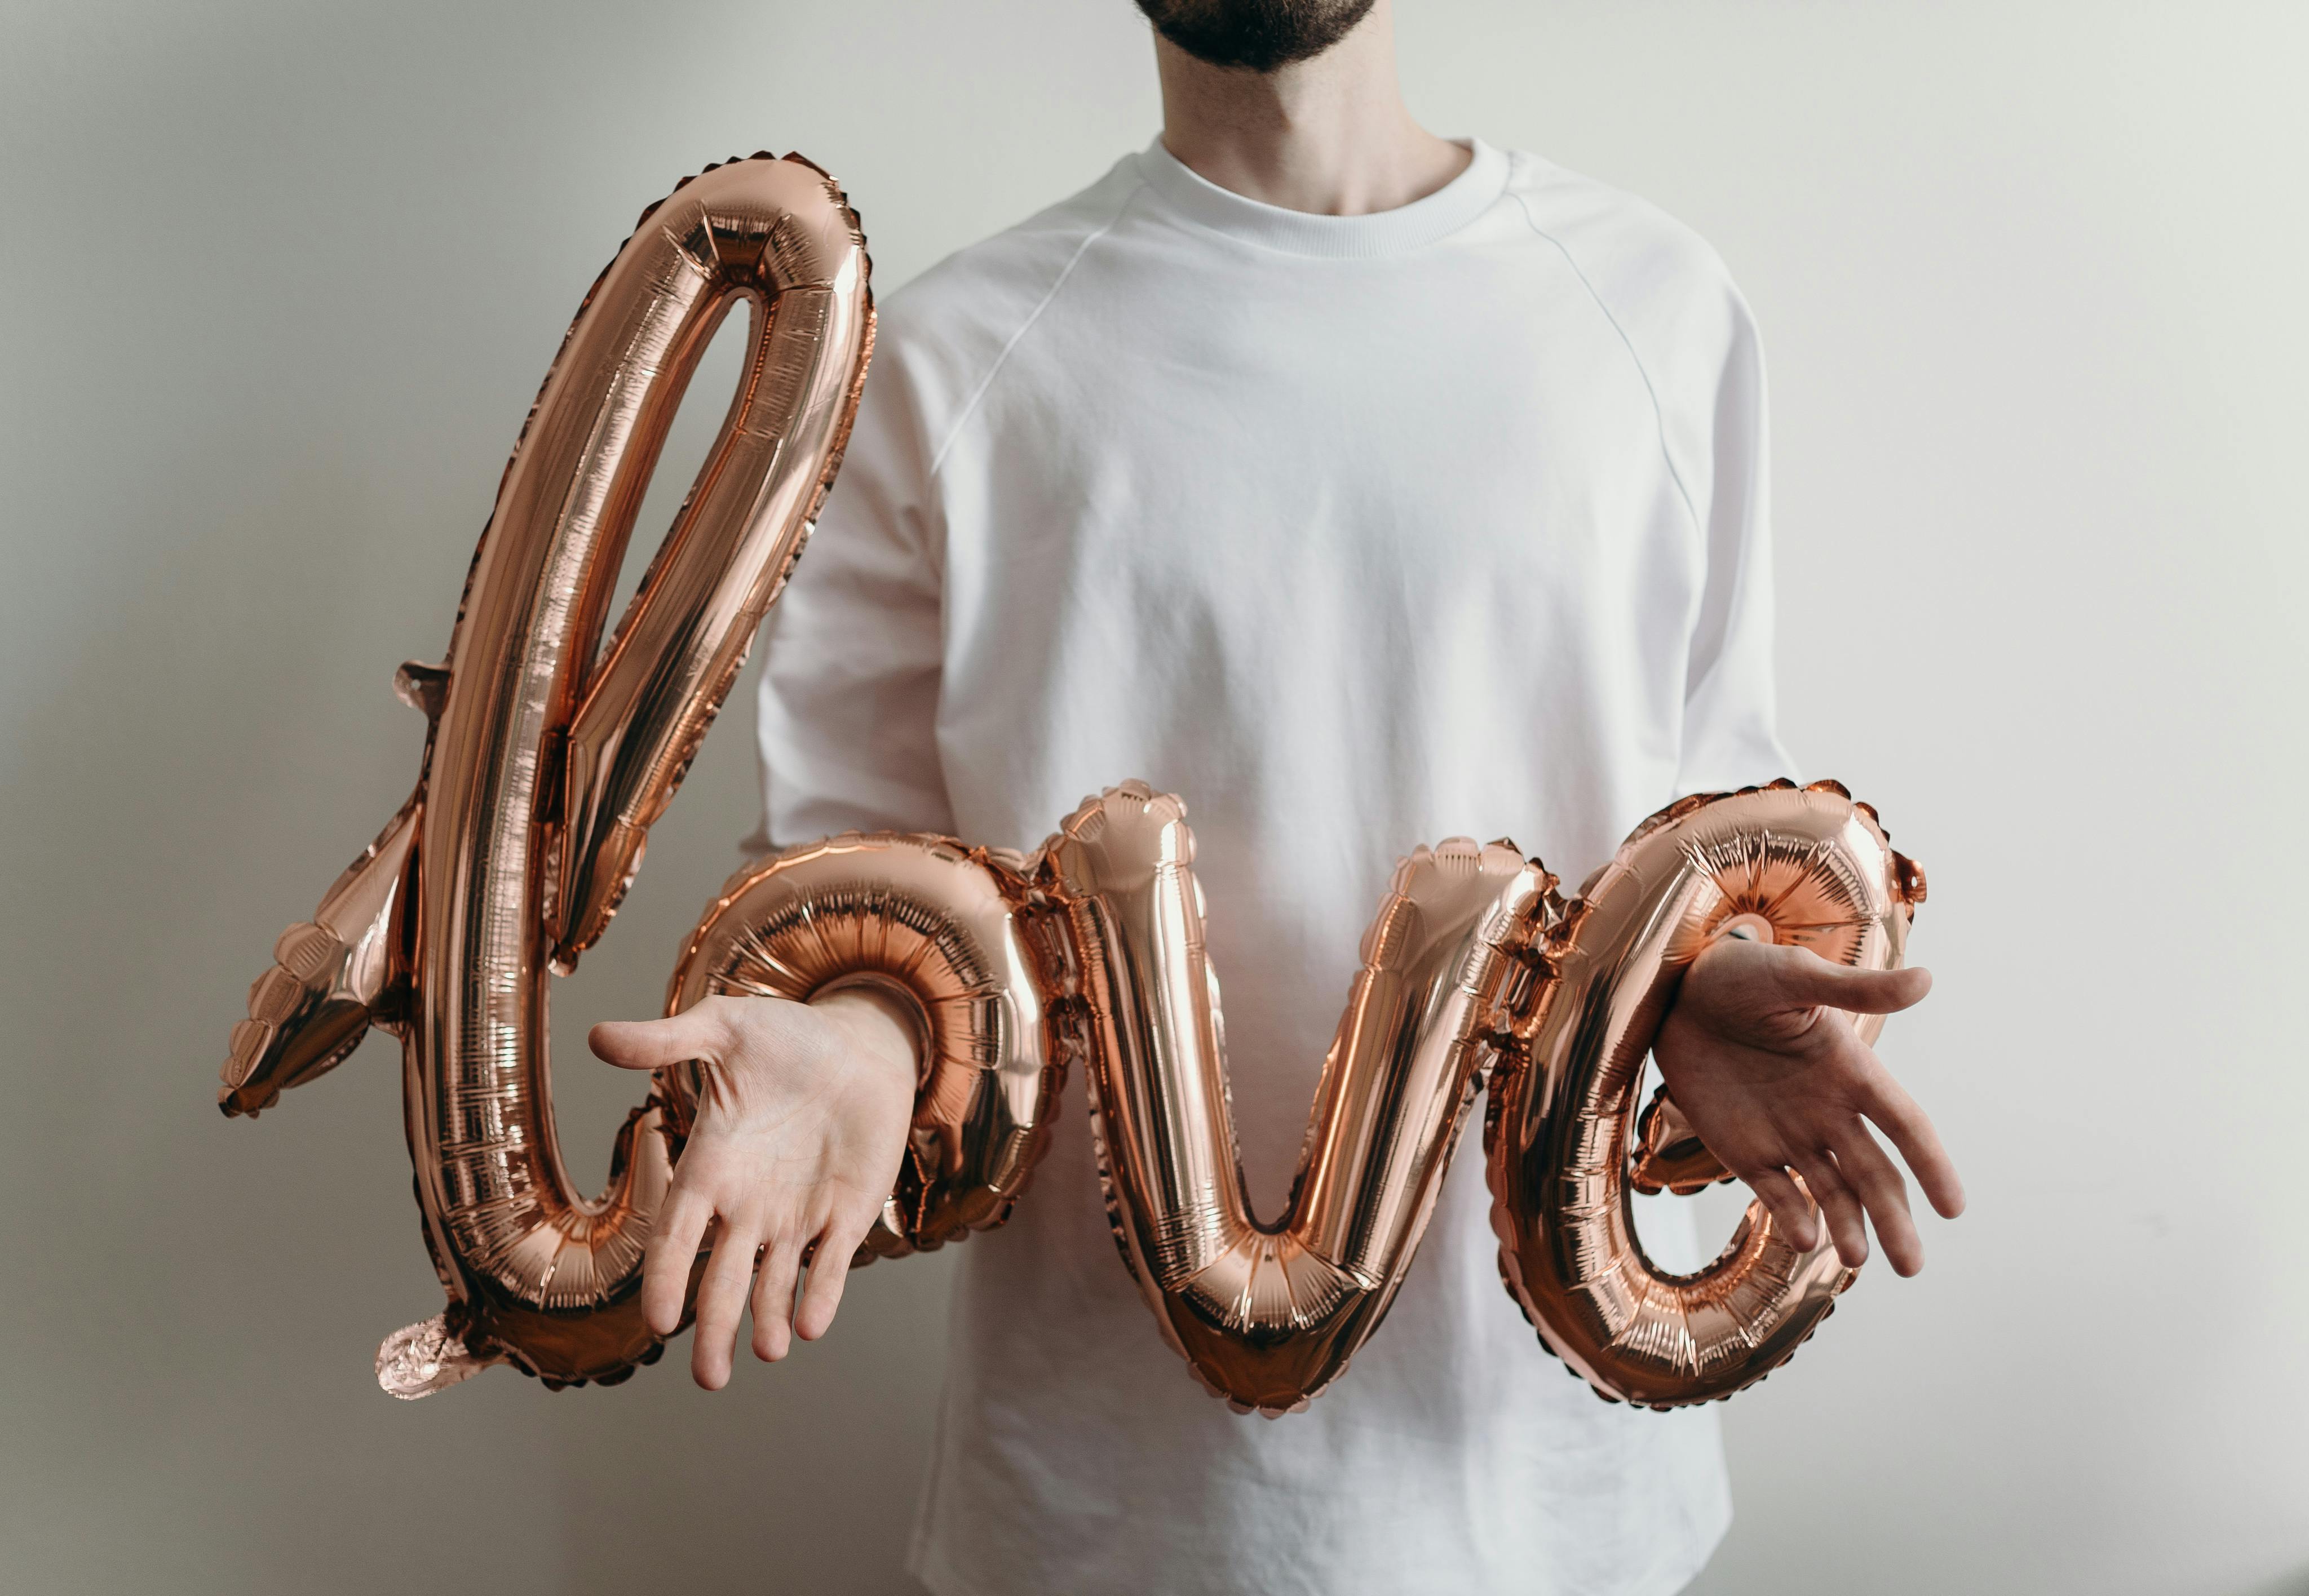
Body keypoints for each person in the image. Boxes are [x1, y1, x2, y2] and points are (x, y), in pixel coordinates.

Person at [589, 2, 1966, 1590]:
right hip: (1114, 1520)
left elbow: (1709, 828)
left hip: (1557, 1508)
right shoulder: (960, 360)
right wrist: (851, 1041)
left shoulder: (1654, 312)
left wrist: (1692, 986)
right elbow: (856, 894)